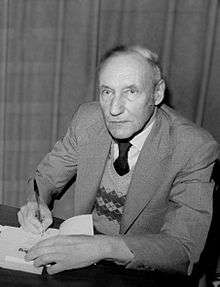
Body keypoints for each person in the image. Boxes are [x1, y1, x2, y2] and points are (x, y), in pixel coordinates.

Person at [18, 45, 219, 275]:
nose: (114, 109)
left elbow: (183, 248)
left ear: (157, 93)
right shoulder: (87, 119)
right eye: (107, 92)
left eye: (131, 92)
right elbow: (45, 178)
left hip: (141, 270)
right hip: (82, 257)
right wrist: (36, 202)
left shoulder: (194, 147)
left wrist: (100, 248)